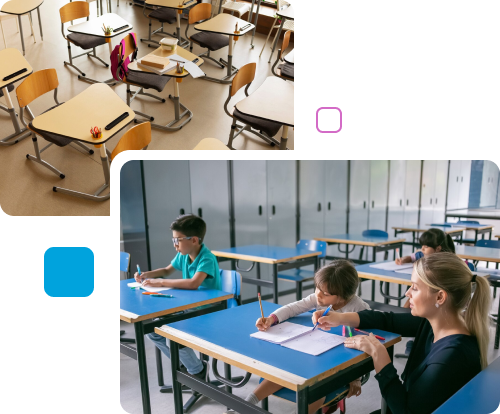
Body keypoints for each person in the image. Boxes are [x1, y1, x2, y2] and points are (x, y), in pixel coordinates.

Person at [312, 252, 491, 414]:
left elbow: (405, 411)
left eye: (414, 287)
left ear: (440, 297)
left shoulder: (452, 356)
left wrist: (379, 356)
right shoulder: (435, 322)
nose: (407, 293)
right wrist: (340, 317)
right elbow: (386, 320)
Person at [244, 260, 370, 414]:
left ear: (342, 297)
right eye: (317, 288)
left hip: (339, 364)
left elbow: (371, 344)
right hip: (316, 353)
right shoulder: (319, 298)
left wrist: (355, 376)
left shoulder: (360, 309)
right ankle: (247, 403)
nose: (318, 294)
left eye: (325, 293)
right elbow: (293, 308)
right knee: (286, 368)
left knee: (316, 388)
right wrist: (271, 319)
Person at [134, 214, 220, 391]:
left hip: (209, 311)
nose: (174, 245)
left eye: (178, 240)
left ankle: (197, 372)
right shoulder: (183, 255)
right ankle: (188, 368)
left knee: (175, 331)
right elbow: (166, 271)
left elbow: (193, 283)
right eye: (173, 240)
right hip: (188, 307)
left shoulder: (206, 258)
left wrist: (160, 282)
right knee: (152, 330)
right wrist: (146, 275)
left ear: (194, 240)